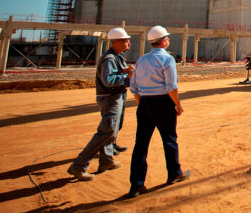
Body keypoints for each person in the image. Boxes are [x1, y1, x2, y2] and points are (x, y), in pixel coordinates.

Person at [127, 26, 190, 198]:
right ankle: (174, 173)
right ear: (163, 41)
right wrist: (178, 104)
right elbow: (171, 87)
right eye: (167, 38)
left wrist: (143, 103)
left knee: (140, 145)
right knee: (169, 139)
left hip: (145, 103)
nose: (168, 41)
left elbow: (134, 87)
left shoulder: (141, 60)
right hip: (163, 102)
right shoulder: (167, 59)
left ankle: (136, 186)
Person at [67, 27, 134, 181]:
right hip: (110, 98)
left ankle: (106, 161)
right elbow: (108, 80)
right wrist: (126, 76)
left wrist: (123, 71)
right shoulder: (110, 58)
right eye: (126, 40)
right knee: (106, 132)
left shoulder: (116, 56)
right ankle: (78, 166)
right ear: (117, 42)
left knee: (111, 130)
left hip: (114, 96)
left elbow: (112, 74)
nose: (129, 43)